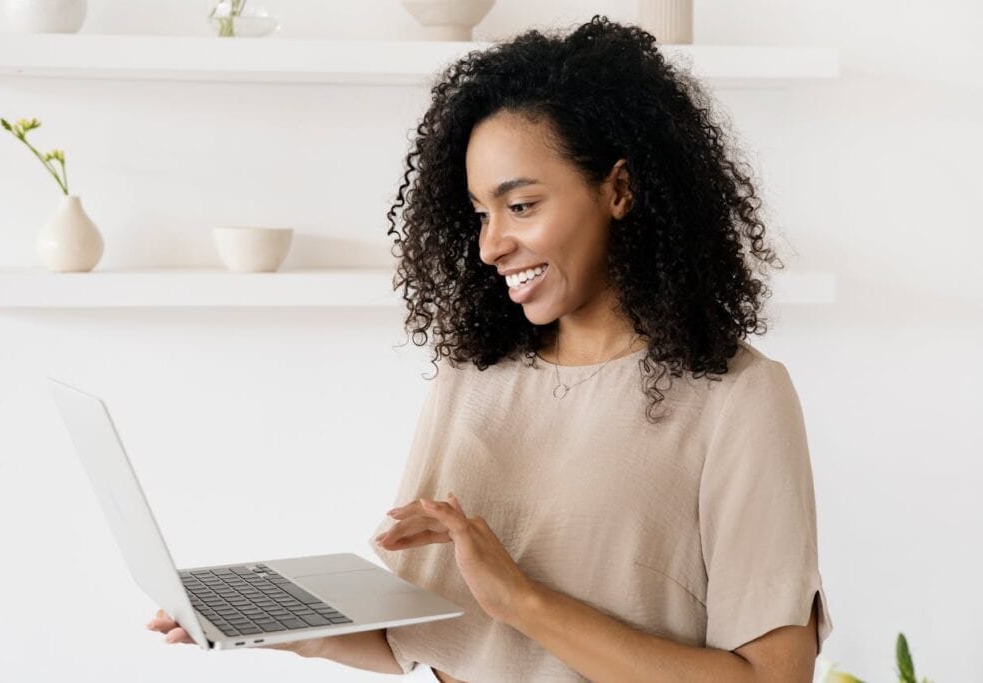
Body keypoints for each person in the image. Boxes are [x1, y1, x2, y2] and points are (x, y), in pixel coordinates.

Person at [148, 14, 833, 682]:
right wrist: (293, 626)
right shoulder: (471, 379)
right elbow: (426, 634)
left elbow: (774, 676)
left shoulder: (737, 397)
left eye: (522, 205)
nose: (491, 244)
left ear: (619, 189)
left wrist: (524, 601)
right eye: (481, 212)